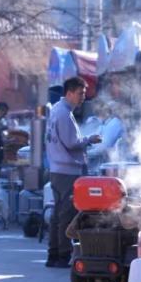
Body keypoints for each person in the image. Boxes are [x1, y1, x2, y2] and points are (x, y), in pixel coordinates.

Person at [45, 77, 102, 267]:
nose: (83, 97)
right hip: (67, 172)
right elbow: (71, 143)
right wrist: (89, 139)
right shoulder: (64, 114)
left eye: (84, 93)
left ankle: (53, 254)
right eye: (80, 93)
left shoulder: (57, 110)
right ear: (69, 93)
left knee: (57, 214)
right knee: (66, 215)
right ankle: (62, 255)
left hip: (58, 170)